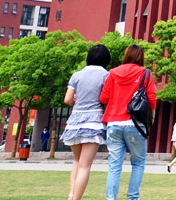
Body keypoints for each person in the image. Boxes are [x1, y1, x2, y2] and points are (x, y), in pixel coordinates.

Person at [100, 45, 155, 200]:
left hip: (114, 123)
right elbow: (151, 99)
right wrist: (151, 118)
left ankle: (110, 198)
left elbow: (103, 98)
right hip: (136, 124)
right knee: (138, 163)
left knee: (114, 167)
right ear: (141, 56)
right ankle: (133, 197)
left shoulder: (112, 73)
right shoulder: (145, 73)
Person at [61, 43, 110, 200]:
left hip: (75, 121)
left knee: (77, 162)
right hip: (93, 121)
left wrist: (77, 102)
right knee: (85, 165)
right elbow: (106, 98)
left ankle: (71, 195)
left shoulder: (77, 75)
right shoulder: (106, 75)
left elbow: (68, 99)